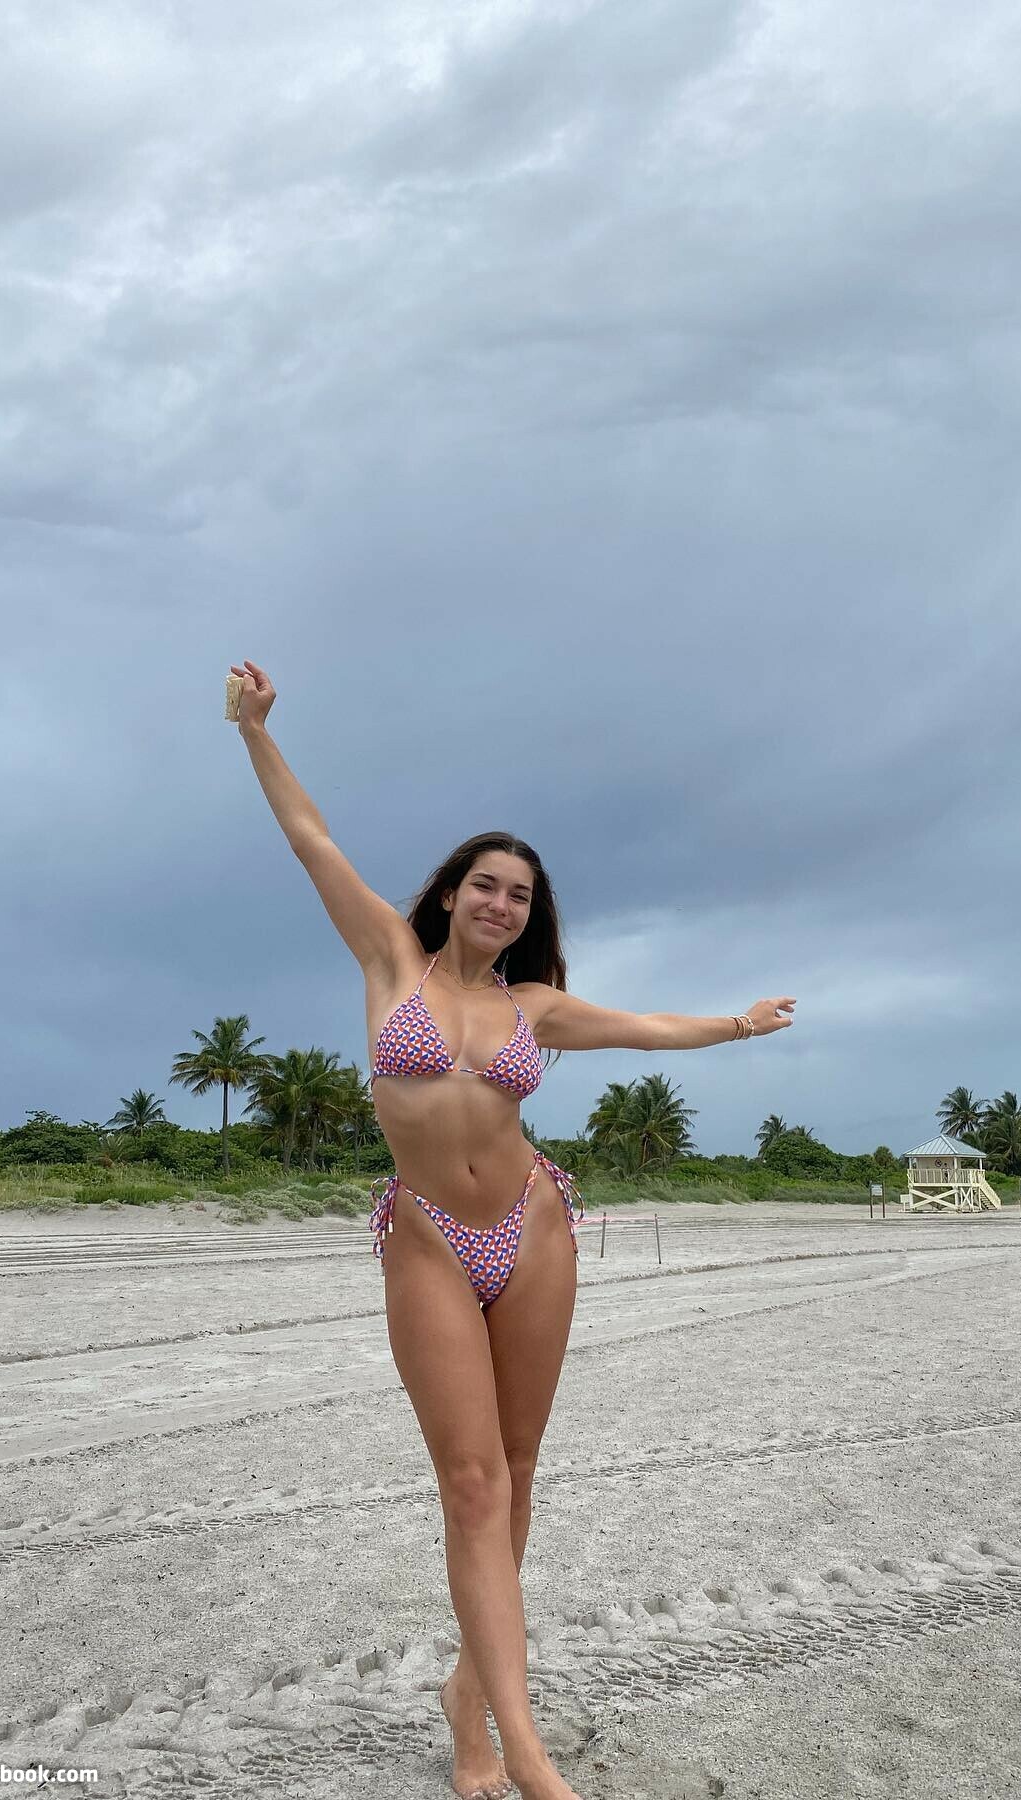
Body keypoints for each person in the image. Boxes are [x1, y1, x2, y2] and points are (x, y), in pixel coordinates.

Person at [231, 660, 796, 1800]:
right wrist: (255, 732)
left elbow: (645, 1027)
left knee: (520, 1469)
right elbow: (310, 840)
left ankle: (472, 1700)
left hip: (533, 1229)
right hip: (430, 1235)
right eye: (485, 886)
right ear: (450, 895)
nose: (501, 905)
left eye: (520, 897)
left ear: (531, 919)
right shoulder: (389, 958)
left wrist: (739, 1024)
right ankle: (524, 1752)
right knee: (472, 1482)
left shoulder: (531, 1008)